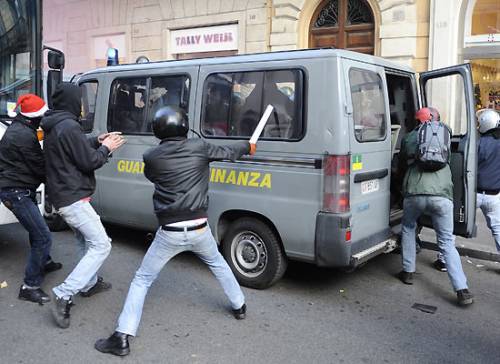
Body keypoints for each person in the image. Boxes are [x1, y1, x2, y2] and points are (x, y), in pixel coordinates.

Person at [95, 106, 254, 356]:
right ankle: (240, 306)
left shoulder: (152, 156)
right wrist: (248, 146)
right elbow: (231, 151)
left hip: (169, 231)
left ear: (158, 130)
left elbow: (153, 176)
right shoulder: (199, 147)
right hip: (200, 228)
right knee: (218, 264)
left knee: (142, 280)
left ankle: (122, 336)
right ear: (184, 126)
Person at [40, 83, 125, 328]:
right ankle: (64, 293)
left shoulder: (56, 124)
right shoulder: (68, 126)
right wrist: (106, 148)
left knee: (83, 241)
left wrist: (94, 139)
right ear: (72, 102)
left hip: (64, 195)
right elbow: (89, 162)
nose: (81, 105)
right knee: (101, 244)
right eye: (80, 100)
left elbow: (73, 148)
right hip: (73, 198)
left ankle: (89, 283)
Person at [397, 107, 473, 306]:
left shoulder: (410, 137)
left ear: (417, 121)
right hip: (441, 195)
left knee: (408, 228)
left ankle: (408, 272)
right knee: (446, 241)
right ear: (435, 119)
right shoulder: (445, 132)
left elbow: (403, 162)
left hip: (414, 192)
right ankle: (462, 289)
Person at [0, 94, 62, 304]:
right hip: (16, 193)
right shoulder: (23, 136)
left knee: (37, 230)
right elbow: (40, 166)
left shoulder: (21, 128)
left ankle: (44, 261)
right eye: (41, 117)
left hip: (19, 189)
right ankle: (30, 286)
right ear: (33, 118)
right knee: (43, 236)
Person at [432, 109, 500, 272]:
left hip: (472, 194)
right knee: (498, 228)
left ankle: (443, 260)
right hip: (493, 195)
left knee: (453, 224)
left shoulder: (478, 143)